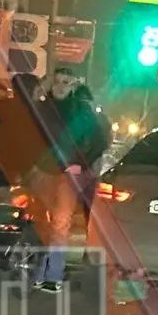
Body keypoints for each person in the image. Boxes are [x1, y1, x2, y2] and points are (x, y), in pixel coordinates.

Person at [34, 71, 111, 292]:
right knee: (41, 221)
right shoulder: (44, 108)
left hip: (69, 174)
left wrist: (79, 163)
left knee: (60, 223)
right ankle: (37, 272)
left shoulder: (82, 110)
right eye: (57, 82)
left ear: (74, 86)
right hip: (43, 171)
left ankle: (53, 276)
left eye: (66, 83)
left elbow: (100, 140)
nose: (60, 87)